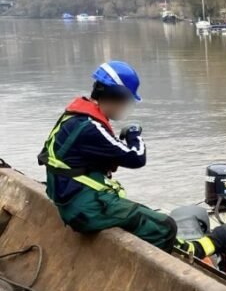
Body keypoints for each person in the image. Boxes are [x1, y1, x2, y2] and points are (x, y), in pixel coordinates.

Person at [37, 61, 177, 250]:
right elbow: (136, 158)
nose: (126, 107)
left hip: (69, 202)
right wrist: (134, 135)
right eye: (127, 101)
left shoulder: (73, 118)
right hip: (84, 210)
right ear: (116, 97)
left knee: (141, 213)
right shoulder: (91, 129)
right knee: (165, 226)